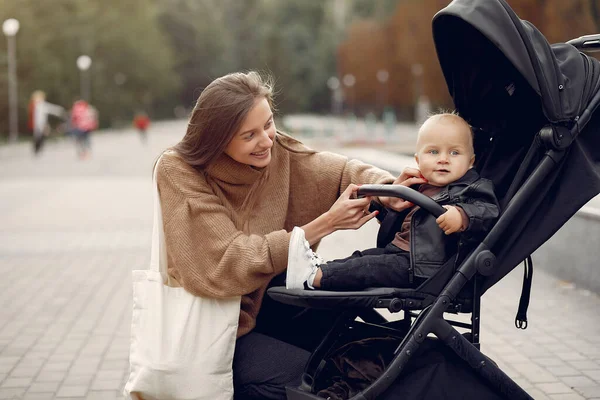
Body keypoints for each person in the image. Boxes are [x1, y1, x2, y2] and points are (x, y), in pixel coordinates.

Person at [155, 71, 409, 400]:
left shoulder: (279, 154)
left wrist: (386, 189)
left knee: (367, 358)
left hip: (275, 308)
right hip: (219, 333)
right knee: (314, 381)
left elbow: (340, 170)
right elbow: (228, 260)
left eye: (269, 123)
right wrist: (323, 225)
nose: (266, 140)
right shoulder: (178, 170)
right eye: (249, 135)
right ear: (217, 140)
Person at [286, 112, 500, 291]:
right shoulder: (418, 187)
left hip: (426, 266)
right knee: (359, 258)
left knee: (369, 267)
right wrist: (386, 204)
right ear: (418, 159)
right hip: (398, 254)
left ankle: (313, 277)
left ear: (471, 162)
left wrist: (462, 215)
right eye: (433, 152)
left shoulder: (472, 188)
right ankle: (314, 271)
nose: (443, 159)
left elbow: (488, 212)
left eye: (454, 152)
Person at [28, 91, 65, 155]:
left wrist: (59, 111)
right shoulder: (35, 105)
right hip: (38, 124)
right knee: (38, 137)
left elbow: (51, 108)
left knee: (40, 137)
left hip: (40, 124)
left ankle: (37, 149)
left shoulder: (40, 105)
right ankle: (37, 149)